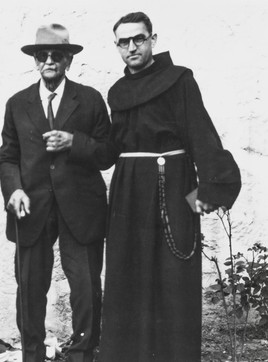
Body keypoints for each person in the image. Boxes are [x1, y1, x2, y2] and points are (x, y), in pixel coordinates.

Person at [99, 12, 242, 361]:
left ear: (153, 40)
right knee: (128, 273)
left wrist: (206, 193)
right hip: (128, 191)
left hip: (172, 185)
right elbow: (113, 148)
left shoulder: (179, 81)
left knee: (173, 276)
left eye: (139, 39)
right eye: (124, 41)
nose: (132, 47)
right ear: (116, 46)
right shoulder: (116, 92)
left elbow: (201, 134)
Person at [0, 24, 112, 362]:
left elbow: (108, 153)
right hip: (31, 208)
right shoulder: (18, 103)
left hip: (81, 207)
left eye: (57, 56)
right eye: (42, 55)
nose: (49, 61)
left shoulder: (89, 99)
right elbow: (8, 156)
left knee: (86, 289)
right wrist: (14, 189)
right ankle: (32, 354)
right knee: (30, 289)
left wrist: (75, 143)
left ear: (68, 61)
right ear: (35, 61)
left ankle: (82, 354)